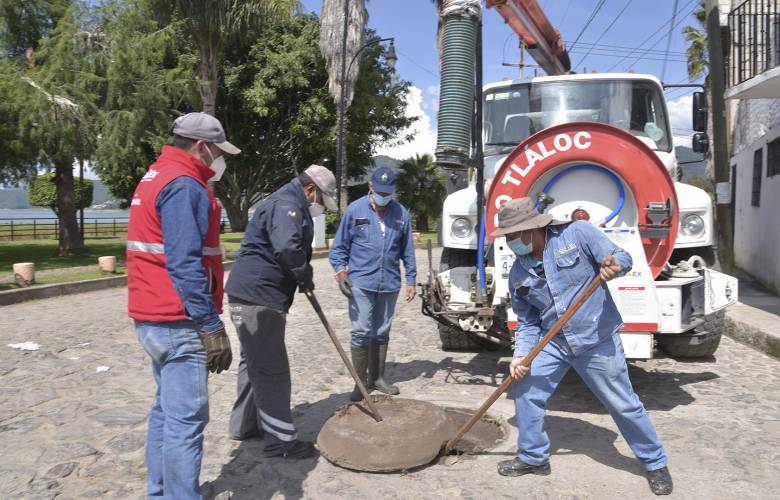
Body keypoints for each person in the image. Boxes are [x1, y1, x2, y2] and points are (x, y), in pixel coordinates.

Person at [492, 197, 673, 496]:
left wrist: (615, 266)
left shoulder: (578, 233)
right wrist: (521, 356)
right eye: (507, 236)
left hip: (595, 337)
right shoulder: (518, 274)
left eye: (513, 235)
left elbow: (620, 257)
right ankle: (533, 457)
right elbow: (527, 323)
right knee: (525, 389)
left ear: (532, 228)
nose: (511, 242)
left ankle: (654, 462)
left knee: (623, 403)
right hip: (554, 343)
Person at [127, 112, 237, 499]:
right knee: (185, 422)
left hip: (151, 316)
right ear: (201, 146)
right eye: (217, 152)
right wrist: (209, 324)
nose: (218, 160)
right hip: (178, 320)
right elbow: (184, 261)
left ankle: (160, 493)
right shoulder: (184, 184)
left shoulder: (155, 175)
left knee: (166, 413)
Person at [224, 164, 337, 459]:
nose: (320, 207)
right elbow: (288, 246)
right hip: (259, 297)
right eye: (321, 200)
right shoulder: (287, 204)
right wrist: (304, 274)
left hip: (250, 294)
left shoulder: (285, 200)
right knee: (272, 369)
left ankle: (244, 426)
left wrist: (302, 274)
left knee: (254, 364)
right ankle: (280, 442)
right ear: (311, 190)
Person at [328, 166, 417, 401]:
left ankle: (377, 378)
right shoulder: (355, 210)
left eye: (388, 194)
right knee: (361, 331)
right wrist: (340, 274)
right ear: (370, 187)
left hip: (389, 283)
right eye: (380, 192)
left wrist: (412, 279)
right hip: (361, 282)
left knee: (381, 331)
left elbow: (407, 250)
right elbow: (338, 249)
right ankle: (360, 383)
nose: (383, 197)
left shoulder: (401, 214)